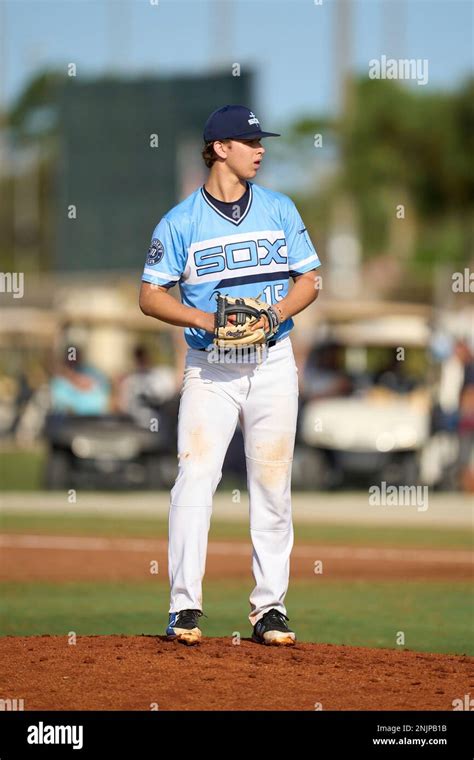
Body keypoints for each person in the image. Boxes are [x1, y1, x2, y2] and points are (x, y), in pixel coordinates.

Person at [139, 105, 321, 646]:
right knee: (196, 478)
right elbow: (149, 295)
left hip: (272, 362)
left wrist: (274, 315)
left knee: (272, 483)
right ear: (220, 148)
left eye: (260, 141)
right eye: (249, 141)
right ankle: (184, 609)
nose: (260, 149)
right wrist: (202, 319)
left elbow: (309, 279)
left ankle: (270, 610)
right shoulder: (180, 222)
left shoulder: (280, 208)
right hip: (210, 367)